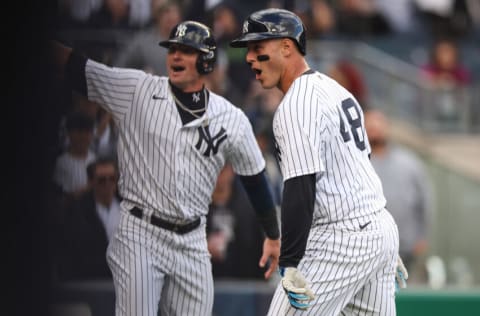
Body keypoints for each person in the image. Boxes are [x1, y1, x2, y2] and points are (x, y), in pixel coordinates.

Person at [51, 20, 280, 316]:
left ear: (206, 61)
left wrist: (273, 236)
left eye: (186, 51)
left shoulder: (231, 118)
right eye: (173, 50)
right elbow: (76, 67)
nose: (175, 57)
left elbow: (255, 179)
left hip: (193, 238)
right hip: (140, 231)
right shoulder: (137, 90)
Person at [230, 8, 406, 314]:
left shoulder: (296, 106)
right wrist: (382, 243)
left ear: (287, 46)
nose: (249, 58)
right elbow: (358, 169)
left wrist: (290, 261)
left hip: (340, 240)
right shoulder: (334, 88)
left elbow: (301, 186)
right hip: (377, 226)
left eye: (258, 48)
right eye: (248, 50)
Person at [364, 109, 432, 282]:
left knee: (402, 290)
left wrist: (422, 236)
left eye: (379, 125)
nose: (375, 129)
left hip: (405, 243)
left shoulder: (409, 162)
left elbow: (425, 201)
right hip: (367, 245)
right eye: (370, 125)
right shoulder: (357, 163)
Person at [54, 157, 121, 282]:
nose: (107, 184)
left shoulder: (127, 209)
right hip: (92, 280)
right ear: (92, 182)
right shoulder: (78, 212)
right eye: (102, 180)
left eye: (112, 179)